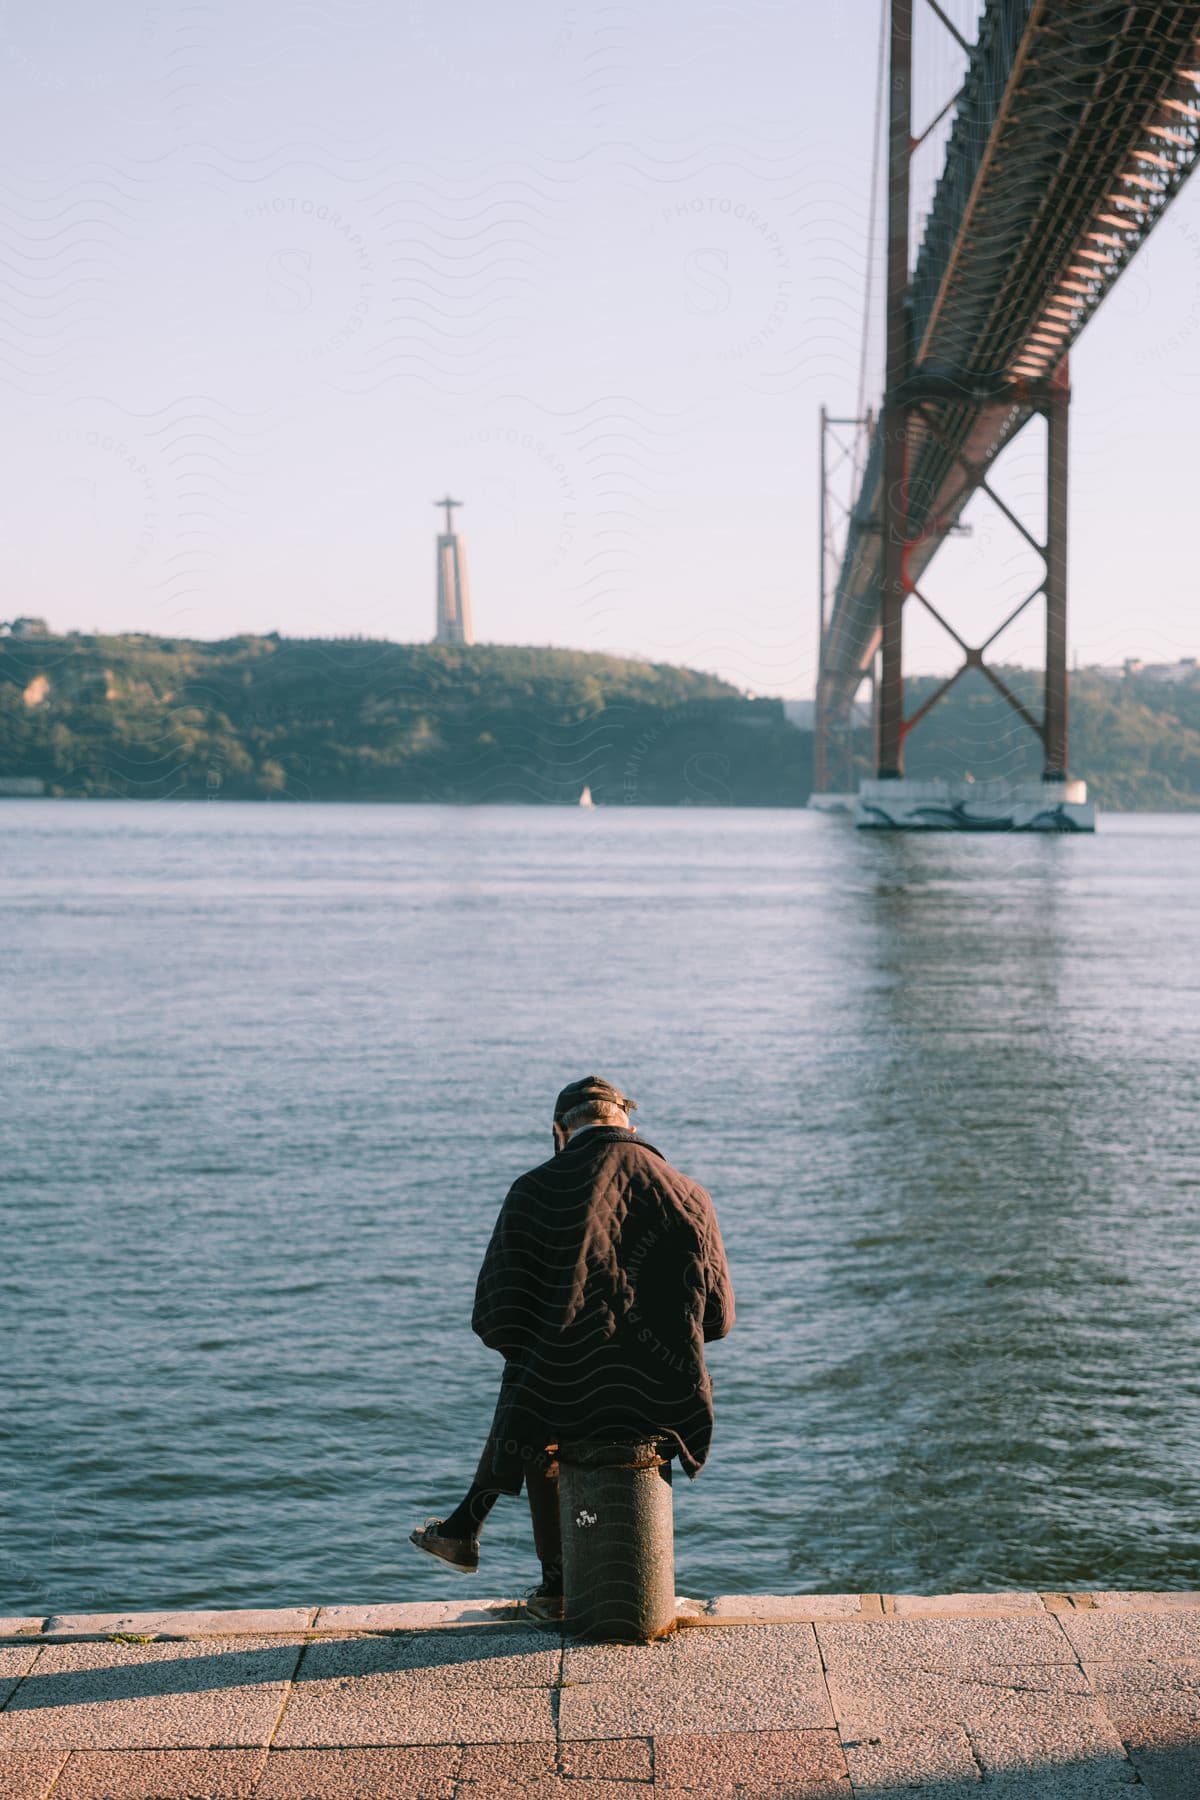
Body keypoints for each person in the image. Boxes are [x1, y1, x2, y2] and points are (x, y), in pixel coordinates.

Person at [410, 1075, 736, 1620]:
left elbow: (493, 1319)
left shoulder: (535, 1190)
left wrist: (551, 1339)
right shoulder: (688, 1194)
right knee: (553, 1374)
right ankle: (474, 1529)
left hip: (559, 1401)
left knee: (536, 1376)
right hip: (669, 1398)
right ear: (629, 1123)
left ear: (559, 1133)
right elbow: (719, 1321)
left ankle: (553, 1581)